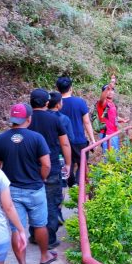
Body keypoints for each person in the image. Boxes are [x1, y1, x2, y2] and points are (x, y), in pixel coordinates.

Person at [0, 103, 54, 264]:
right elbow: (46, 164)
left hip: (11, 192)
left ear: (12, 119)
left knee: (17, 229)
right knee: (40, 224)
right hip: (35, 189)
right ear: (29, 119)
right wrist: (42, 178)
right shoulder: (37, 138)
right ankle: (44, 256)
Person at [28, 89, 71, 250]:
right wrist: (67, 164)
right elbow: (65, 143)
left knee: (34, 203)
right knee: (51, 203)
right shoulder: (54, 120)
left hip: (31, 169)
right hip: (51, 167)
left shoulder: (26, 120)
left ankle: (34, 235)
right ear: (47, 103)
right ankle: (50, 239)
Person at [57, 76, 96, 187]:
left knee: (66, 163)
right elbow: (87, 122)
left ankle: (71, 183)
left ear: (58, 88)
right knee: (82, 163)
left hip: (62, 140)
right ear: (71, 88)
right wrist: (93, 140)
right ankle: (79, 186)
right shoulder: (79, 102)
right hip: (79, 139)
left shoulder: (56, 104)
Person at [49, 90, 74, 227]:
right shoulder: (63, 119)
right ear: (58, 104)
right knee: (62, 184)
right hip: (60, 156)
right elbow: (69, 139)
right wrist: (69, 162)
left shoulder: (39, 117)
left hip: (43, 157)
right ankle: (58, 211)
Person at [95, 74, 128, 152]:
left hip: (114, 133)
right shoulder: (102, 103)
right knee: (108, 158)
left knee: (115, 157)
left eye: (112, 90)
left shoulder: (112, 103)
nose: (110, 92)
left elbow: (113, 117)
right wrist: (109, 86)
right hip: (106, 135)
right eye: (107, 90)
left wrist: (122, 120)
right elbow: (102, 98)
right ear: (104, 92)